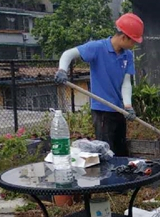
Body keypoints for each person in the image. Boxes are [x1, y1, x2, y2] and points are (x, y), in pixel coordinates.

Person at [54, 13, 144, 157]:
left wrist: (128, 106)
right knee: (106, 153)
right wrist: (62, 70)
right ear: (123, 37)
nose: (133, 45)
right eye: (133, 41)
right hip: (102, 112)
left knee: (121, 152)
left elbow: (126, 83)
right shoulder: (97, 48)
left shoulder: (127, 55)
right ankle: (107, 180)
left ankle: (123, 179)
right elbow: (68, 54)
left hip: (119, 110)